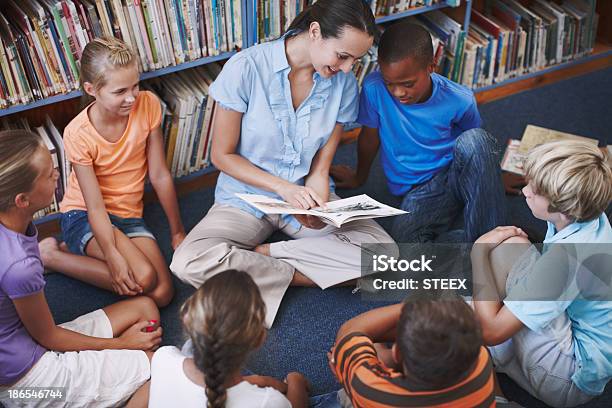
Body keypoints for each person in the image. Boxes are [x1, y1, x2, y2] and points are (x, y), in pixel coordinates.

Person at [170, 0, 395, 327]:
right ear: (315, 32)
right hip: (246, 200)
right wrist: (283, 189)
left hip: (305, 201)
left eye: (356, 60)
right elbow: (222, 155)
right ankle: (297, 272)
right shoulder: (246, 67)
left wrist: (316, 196)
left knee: (384, 255)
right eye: (343, 56)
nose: (348, 68)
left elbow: (321, 166)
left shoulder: (344, 83)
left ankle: (258, 260)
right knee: (186, 261)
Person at [0, 129, 162, 408]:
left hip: (28, 340)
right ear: (22, 200)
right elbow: (48, 336)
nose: (57, 175)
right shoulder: (18, 266)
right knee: (161, 367)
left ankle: (104, 384)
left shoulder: (13, 222)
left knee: (145, 308)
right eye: (49, 174)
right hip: (24, 385)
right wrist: (123, 345)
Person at [39, 37, 184, 307]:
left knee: (163, 294)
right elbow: (94, 207)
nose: (131, 98)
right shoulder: (78, 133)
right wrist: (113, 256)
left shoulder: (149, 104)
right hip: (85, 214)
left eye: (135, 86)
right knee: (143, 277)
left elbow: (160, 174)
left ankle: (62, 255)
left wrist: (177, 232)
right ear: (91, 89)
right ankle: (51, 257)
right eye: (119, 92)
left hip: (128, 215)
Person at [331, 22, 506, 243]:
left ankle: (492, 245)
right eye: (390, 84)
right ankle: (484, 242)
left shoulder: (460, 98)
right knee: (406, 244)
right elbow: (369, 136)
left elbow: (477, 147)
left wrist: (494, 176)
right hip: (421, 190)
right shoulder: (374, 88)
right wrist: (359, 176)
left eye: (408, 83)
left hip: (456, 171)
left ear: (431, 66)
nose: (398, 92)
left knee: (475, 139)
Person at [471, 141, 612, 407]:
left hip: (568, 380)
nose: (525, 191)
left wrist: (477, 252)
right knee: (509, 251)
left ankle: (499, 366)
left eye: (535, 191)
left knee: (471, 319)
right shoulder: (587, 213)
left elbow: (490, 332)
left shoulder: (566, 260)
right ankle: (502, 348)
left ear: (565, 207)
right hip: (580, 341)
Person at [148, 270, 309, 408]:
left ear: (187, 318)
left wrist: (256, 381)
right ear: (259, 339)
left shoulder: (163, 358)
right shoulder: (267, 402)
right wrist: (297, 381)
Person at [328, 298, 497, 407]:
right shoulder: (481, 360)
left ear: (397, 353)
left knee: (300, 381)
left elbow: (350, 330)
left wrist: (416, 306)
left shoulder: (368, 388)